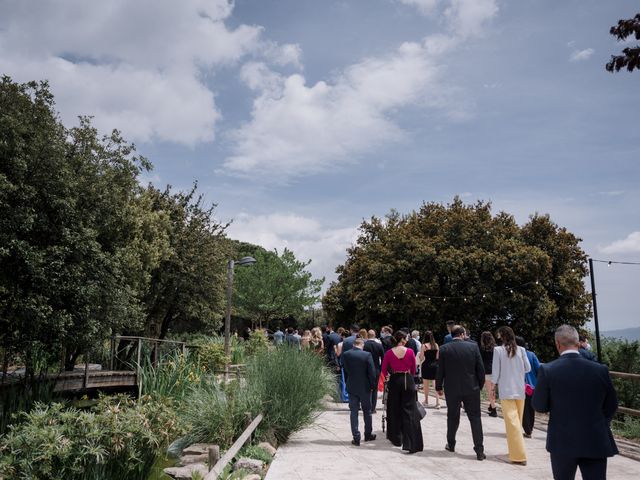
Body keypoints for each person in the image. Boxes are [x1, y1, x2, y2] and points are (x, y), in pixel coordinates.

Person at [533, 325, 618, 480]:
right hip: (595, 437)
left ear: (557, 344)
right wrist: (599, 422)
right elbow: (612, 404)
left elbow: (539, 406)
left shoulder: (548, 370)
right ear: (578, 343)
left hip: (562, 440)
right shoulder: (600, 370)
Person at [435, 325, 485, 461]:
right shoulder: (473, 347)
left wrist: (438, 386)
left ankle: (451, 444)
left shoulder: (444, 349)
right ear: (463, 334)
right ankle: (479, 450)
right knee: (475, 418)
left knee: (452, 417)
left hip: (452, 389)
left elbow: (440, 370)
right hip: (471, 388)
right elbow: (480, 369)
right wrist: (479, 385)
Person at [492, 326, 531, 466]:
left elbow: (496, 372)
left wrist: (492, 386)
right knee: (516, 424)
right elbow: (528, 368)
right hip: (520, 391)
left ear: (502, 336)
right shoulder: (521, 350)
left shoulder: (498, 350)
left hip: (506, 390)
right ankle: (514, 451)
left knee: (512, 424)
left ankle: (519, 455)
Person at [381, 330, 423, 453]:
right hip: (407, 380)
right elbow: (413, 370)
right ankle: (410, 442)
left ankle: (396, 438)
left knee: (394, 409)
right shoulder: (410, 352)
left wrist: (388, 376)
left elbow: (383, 370)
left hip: (394, 380)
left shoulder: (389, 353)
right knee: (409, 411)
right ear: (403, 339)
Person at [341, 337, 378, 446]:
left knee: (354, 412)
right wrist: (372, 385)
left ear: (354, 344)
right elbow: (372, 372)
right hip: (365, 387)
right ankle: (367, 434)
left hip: (352, 386)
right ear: (362, 345)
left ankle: (356, 437)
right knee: (367, 411)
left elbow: (345, 369)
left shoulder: (346, 354)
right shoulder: (367, 355)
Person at [516, 336, 540, 438]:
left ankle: (527, 430)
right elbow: (538, 369)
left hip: (519, 386)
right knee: (531, 409)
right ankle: (530, 429)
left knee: (523, 409)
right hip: (532, 386)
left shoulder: (515, 355)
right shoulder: (531, 354)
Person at [418, 330, 441, 409]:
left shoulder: (424, 346)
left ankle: (426, 400)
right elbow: (437, 357)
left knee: (426, 384)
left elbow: (421, 357)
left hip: (426, 365)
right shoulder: (436, 345)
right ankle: (438, 402)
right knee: (435, 384)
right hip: (435, 365)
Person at [364, 330, 384, 413]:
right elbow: (383, 358)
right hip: (376, 369)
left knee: (366, 389)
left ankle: (366, 406)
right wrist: (381, 368)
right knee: (374, 389)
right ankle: (373, 408)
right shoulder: (379, 345)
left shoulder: (364, 345)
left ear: (367, 336)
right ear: (375, 335)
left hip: (365, 369)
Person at [480, 331, 497, 417]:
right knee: (493, 390)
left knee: (490, 391)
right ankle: (491, 405)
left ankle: (494, 410)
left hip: (487, 371)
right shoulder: (496, 348)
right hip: (495, 371)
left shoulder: (482, 349)